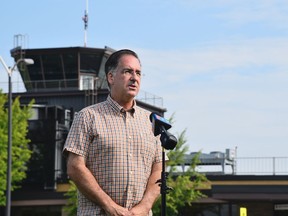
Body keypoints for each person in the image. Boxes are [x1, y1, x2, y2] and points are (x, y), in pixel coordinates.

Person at [63, 49, 164, 216]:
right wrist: (110, 206)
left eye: (138, 73)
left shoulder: (152, 121)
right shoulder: (88, 117)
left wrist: (144, 208)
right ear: (111, 77)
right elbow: (74, 167)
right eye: (127, 71)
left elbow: (159, 170)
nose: (134, 78)